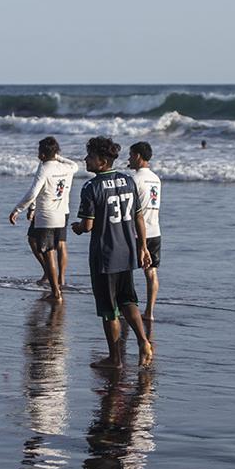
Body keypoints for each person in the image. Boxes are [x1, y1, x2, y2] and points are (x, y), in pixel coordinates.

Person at [71, 136, 154, 369]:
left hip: (105, 255)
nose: (85, 160)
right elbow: (139, 216)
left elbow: (87, 226)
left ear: (102, 161)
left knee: (109, 311)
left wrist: (78, 228)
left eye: (89, 156)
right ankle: (144, 341)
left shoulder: (91, 187)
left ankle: (115, 358)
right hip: (127, 251)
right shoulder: (128, 181)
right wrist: (143, 247)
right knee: (128, 300)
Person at [8, 136, 77, 301]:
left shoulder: (44, 168)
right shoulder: (67, 168)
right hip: (61, 215)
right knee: (53, 249)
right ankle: (56, 287)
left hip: (46, 217)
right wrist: (55, 155)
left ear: (42, 154)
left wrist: (17, 209)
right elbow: (75, 165)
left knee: (48, 253)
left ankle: (55, 293)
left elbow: (33, 193)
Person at [128, 141, 164, 334]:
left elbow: (132, 209)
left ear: (138, 156)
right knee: (151, 272)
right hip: (155, 229)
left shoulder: (134, 179)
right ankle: (149, 311)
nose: (128, 159)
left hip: (136, 232)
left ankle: (128, 307)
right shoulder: (156, 179)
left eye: (131, 155)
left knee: (126, 271)